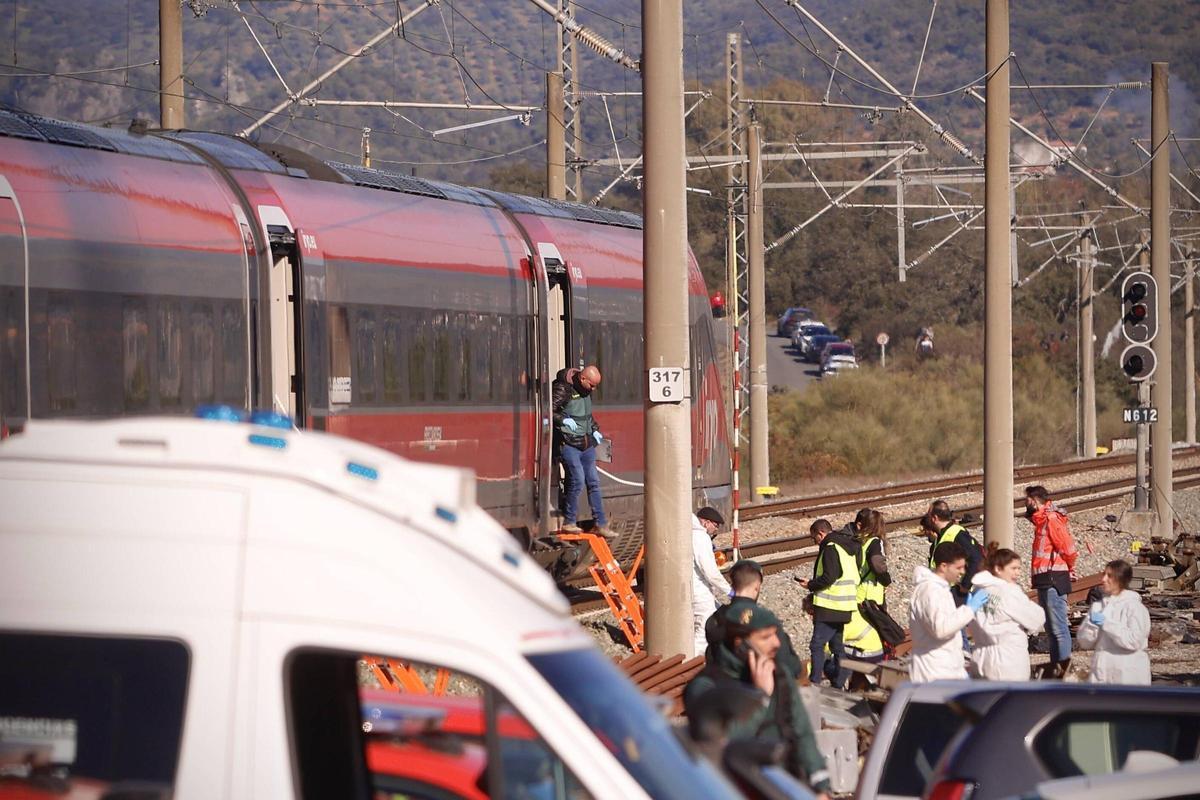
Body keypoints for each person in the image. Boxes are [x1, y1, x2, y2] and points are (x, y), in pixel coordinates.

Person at [683, 603, 832, 797]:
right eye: (765, 637)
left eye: (775, 634)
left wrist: (820, 785)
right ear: (740, 643)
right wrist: (761, 698)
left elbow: (801, 731)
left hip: (783, 785)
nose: (776, 643)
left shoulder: (779, 675)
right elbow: (722, 743)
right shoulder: (707, 688)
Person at [705, 559, 804, 676]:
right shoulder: (763, 618)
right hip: (753, 690)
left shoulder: (715, 618)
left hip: (719, 686)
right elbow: (789, 665)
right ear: (757, 586)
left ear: (732, 585)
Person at [909, 541, 990, 683]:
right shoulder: (930, 592)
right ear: (943, 566)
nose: (963, 572)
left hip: (944, 668)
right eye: (958, 567)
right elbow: (941, 629)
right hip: (934, 674)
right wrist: (969, 609)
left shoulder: (940, 589)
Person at [796, 518, 859, 688]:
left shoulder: (830, 548)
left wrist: (810, 584)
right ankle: (839, 682)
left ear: (820, 533)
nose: (814, 541)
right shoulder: (845, 547)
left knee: (817, 644)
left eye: (814, 537)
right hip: (844, 605)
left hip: (830, 605)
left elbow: (830, 576)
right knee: (837, 646)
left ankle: (815, 682)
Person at [552, 365, 613, 537]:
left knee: (593, 482)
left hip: (586, 443)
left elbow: (586, 415)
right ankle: (569, 521)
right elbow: (551, 410)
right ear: (582, 379)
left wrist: (594, 428)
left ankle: (601, 523)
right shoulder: (564, 389)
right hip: (569, 444)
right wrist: (564, 421)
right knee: (577, 480)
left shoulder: (586, 392)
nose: (593, 389)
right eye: (592, 385)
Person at [1025, 485, 1079, 678]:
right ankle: (1057, 669)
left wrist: (1068, 567)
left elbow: (1068, 548)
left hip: (1054, 578)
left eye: (1027, 500)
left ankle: (1062, 671)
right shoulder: (1041, 521)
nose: (1025, 504)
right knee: (1051, 629)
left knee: (1058, 628)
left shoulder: (1051, 519)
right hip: (1045, 579)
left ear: (1035, 499)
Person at [967, 547, 1045, 681]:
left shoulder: (978, 590)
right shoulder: (1008, 592)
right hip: (1008, 660)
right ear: (998, 569)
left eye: (1019, 568)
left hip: (980, 657)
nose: (1017, 573)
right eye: (1013, 568)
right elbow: (1036, 619)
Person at [1076, 560, 1151, 684]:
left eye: (1109, 576)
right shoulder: (1099, 607)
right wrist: (1091, 626)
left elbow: (1134, 641)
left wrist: (1106, 623)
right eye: (1104, 574)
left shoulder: (1135, 608)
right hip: (1102, 673)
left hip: (1128, 675)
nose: (1103, 579)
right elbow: (1084, 642)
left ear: (1121, 579)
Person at [841, 509, 890, 664]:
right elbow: (877, 563)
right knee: (880, 632)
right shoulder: (876, 542)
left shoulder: (862, 542)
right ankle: (881, 661)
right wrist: (886, 580)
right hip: (872, 596)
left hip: (860, 592)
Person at [691, 506, 732, 657]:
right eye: (715, 526)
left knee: (718, 615)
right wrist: (729, 591)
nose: (715, 530)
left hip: (694, 589)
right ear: (705, 522)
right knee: (703, 631)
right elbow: (710, 571)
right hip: (698, 590)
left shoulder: (689, 532)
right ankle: (690, 664)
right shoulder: (700, 537)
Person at [925, 500, 983, 603]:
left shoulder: (957, 534)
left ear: (935, 518)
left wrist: (965, 585)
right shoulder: (941, 536)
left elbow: (976, 558)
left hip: (954, 592)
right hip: (943, 591)